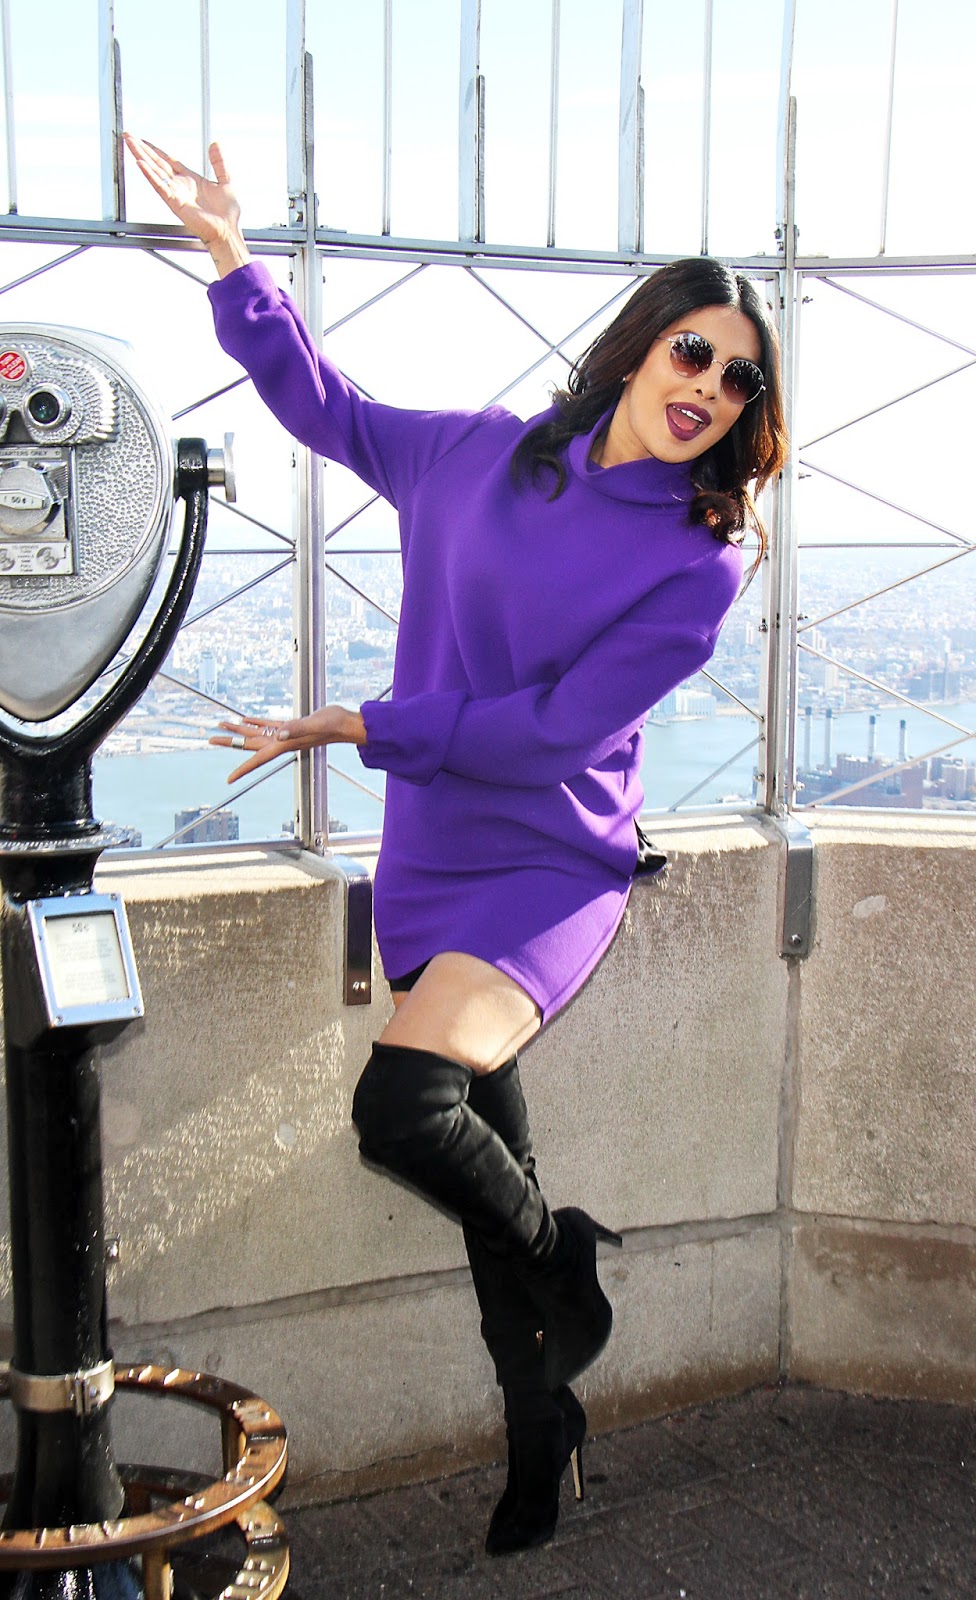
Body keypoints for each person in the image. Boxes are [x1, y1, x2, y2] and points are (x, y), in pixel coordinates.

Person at [124, 134, 788, 1556]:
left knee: (407, 1112)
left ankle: (570, 1268)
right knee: (489, 1153)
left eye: (740, 379)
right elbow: (326, 407)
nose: (711, 393)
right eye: (693, 353)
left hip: (551, 860)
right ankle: (542, 1435)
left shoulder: (698, 555)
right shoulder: (479, 453)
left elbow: (555, 732)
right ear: (634, 352)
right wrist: (236, 261)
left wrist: (358, 724)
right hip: (432, 842)